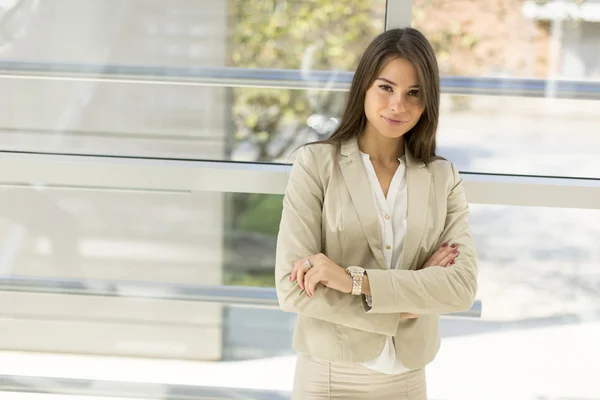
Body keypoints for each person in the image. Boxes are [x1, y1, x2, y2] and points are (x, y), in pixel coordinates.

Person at [275, 27, 478, 400]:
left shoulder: (442, 177)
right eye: (386, 88)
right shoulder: (317, 165)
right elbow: (292, 289)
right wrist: (402, 303)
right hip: (329, 376)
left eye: (413, 93)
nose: (398, 105)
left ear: (427, 100)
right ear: (364, 87)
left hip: (407, 378)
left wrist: (356, 282)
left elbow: (461, 287)